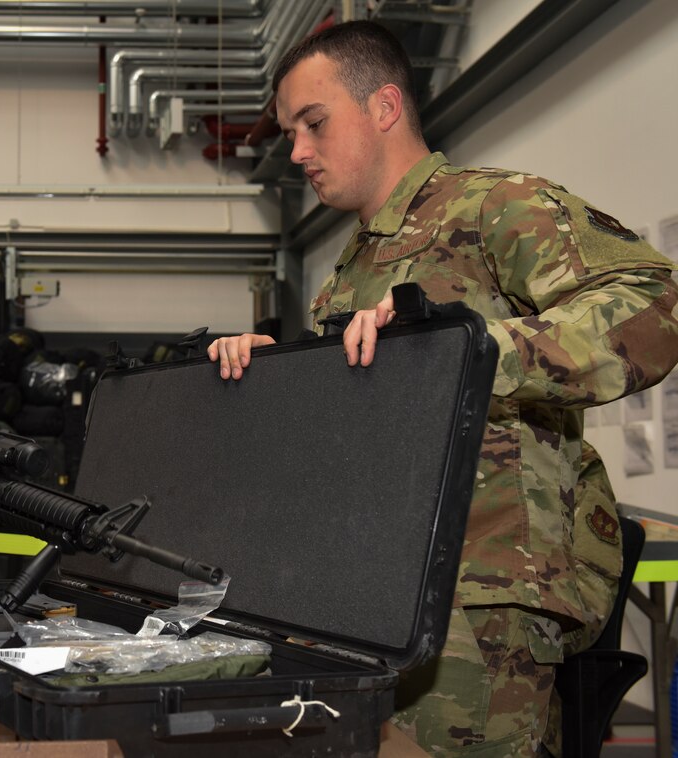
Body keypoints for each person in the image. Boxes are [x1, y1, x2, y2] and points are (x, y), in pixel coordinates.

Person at [208, 21, 678, 757]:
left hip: (482, 600)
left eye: (314, 123)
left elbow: (653, 305)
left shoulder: (495, 208)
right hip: (371, 591)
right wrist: (275, 381)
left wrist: (479, 346)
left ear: (385, 106)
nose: (297, 151)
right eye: (292, 132)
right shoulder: (348, 274)